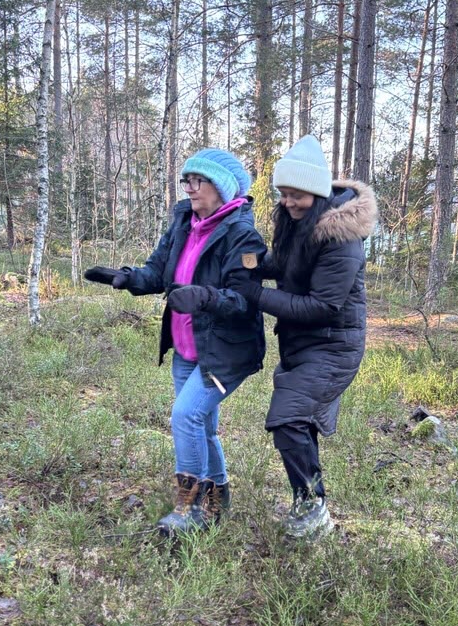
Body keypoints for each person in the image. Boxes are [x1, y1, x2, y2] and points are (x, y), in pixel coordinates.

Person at [84, 149, 265, 536]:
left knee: (186, 416)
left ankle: (190, 509)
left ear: (222, 187)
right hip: (187, 348)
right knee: (204, 427)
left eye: (198, 181)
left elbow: (245, 299)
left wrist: (204, 297)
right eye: (188, 181)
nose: (190, 188)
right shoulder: (184, 222)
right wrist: (129, 278)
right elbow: (158, 271)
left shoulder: (243, 236)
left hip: (225, 352)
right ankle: (218, 502)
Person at [230, 134, 378, 540]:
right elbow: (282, 263)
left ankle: (314, 509)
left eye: (296, 195)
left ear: (315, 192)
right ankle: (309, 505)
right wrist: (247, 263)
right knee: (298, 422)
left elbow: (321, 306)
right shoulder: (302, 223)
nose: (288, 203)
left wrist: (257, 294)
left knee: (289, 419)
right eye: (283, 194)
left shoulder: (341, 239)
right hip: (303, 344)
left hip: (334, 344)